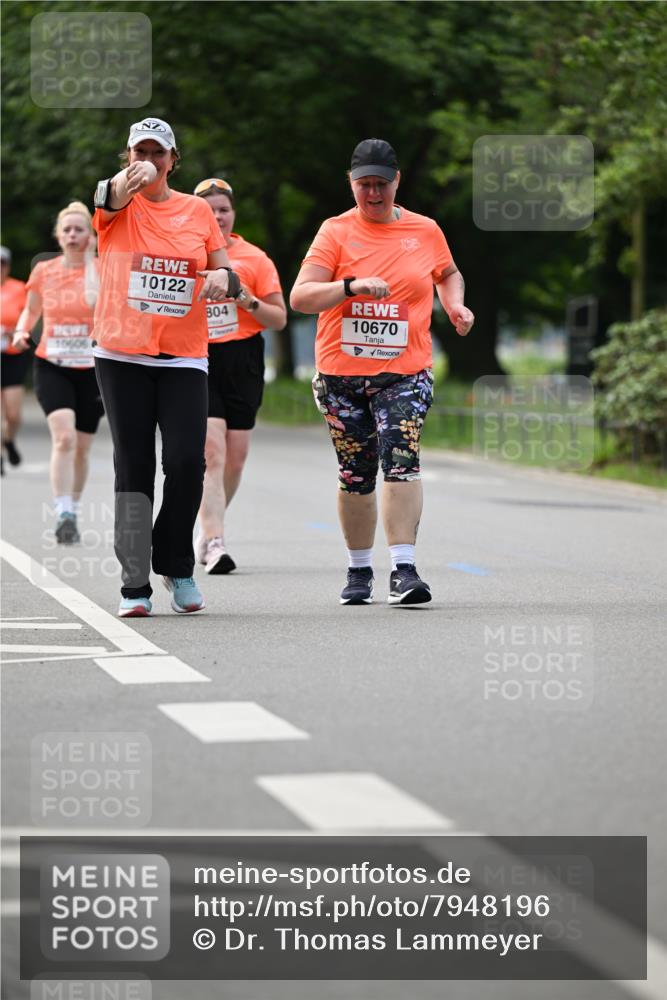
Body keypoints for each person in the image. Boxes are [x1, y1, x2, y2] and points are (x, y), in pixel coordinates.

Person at [290, 138, 474, 606]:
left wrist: (454, 305)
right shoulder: (334, 232)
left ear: (397, 182)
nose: (373, 195)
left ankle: (404, 569)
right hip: (341, 375)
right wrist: (348, 287)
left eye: (381, 185)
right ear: (350, 185)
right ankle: (358, 572)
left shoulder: (425, 230)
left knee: (401, 455)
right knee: (356, 472)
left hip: (405, 371)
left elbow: (448, 272)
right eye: (363, 185)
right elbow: (301, 297)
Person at [91, 117, 241, 617]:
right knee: (132, 466)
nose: (149, 162)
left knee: (184, 461)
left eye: (159, 154)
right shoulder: (117, 204)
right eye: (140, 153)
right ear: (127, 157)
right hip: (121, 352)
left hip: (183, 355)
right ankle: (134, 582)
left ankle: (175, 563)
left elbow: (224, 266)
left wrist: (223, 278)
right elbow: (106, 197)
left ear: (174, 161)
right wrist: (121, 184)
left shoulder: (196, 210)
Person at [193, 177, 287, 573]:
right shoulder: (187, 255)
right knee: (211, 453)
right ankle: (215, 541)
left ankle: (209, 525)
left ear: (234, 213)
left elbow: (279, 318)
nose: (218, 216)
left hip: (244, 357)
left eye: (224, 210)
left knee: (235, 458)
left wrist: (243, 297)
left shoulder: (255, 258)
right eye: (210, 211)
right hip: (198, 355)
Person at [12, 205, 102, 542]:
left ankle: (73, 510)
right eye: (67, 231)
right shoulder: (45, 271)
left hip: (94, 368)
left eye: (80, 230)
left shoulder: (103, 270)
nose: (73, 236)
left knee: (81, 446)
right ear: (58, 236)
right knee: (63, 437)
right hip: (52, 362)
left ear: (90, 236)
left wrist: (91, 259)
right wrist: (22, 331)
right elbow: (31, 310)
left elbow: (95, 300)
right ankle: (62, 509)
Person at [1, 245, 28, 473]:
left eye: (2, 263)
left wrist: (15, 331)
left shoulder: (19, 288)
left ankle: (8, 440)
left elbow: (29, 317)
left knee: (13, 414)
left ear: (7, 266)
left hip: (12, 356)